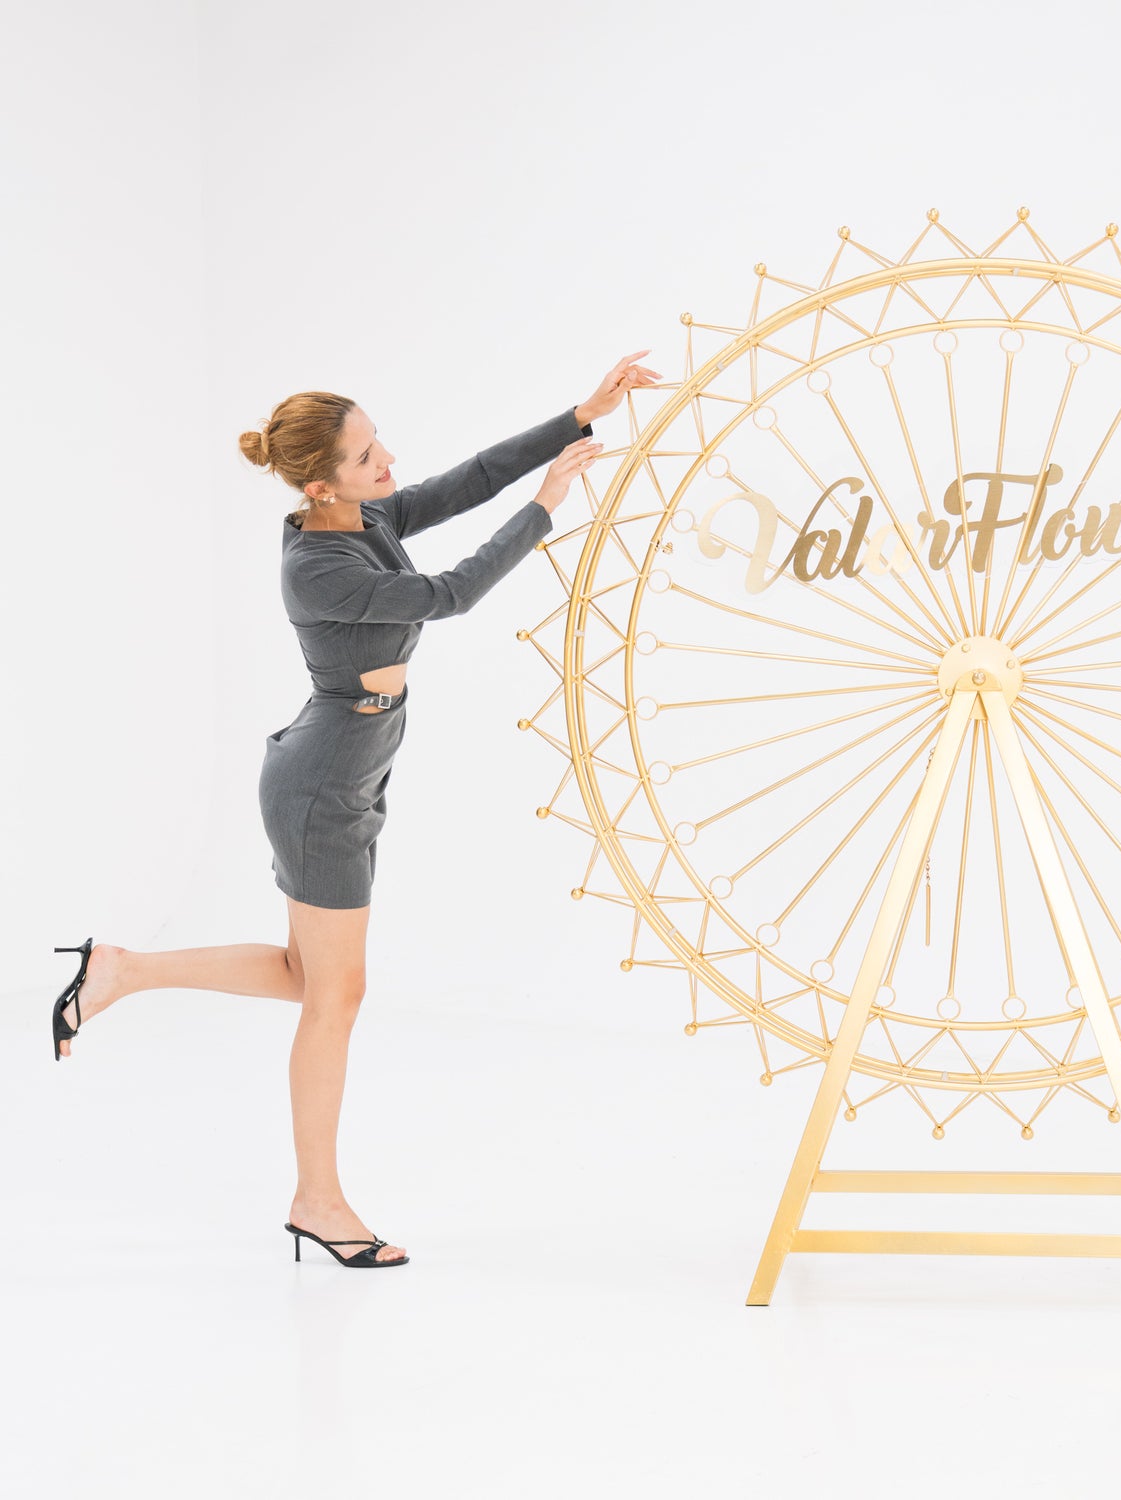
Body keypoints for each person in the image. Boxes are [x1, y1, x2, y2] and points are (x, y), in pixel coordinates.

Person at [48, 349, 663, 1269]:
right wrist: (547, 507)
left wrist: (579, 414)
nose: (387, 462)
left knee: (314, 976)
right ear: (315, 481)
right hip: (321, 786)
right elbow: (449, 593)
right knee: (333, 994)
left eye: (377, 444)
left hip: (351, 771)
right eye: (366, 454)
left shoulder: (359, 515)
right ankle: (318, 1201)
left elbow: (464, 482)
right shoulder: (317, 566)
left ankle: (123, 971)